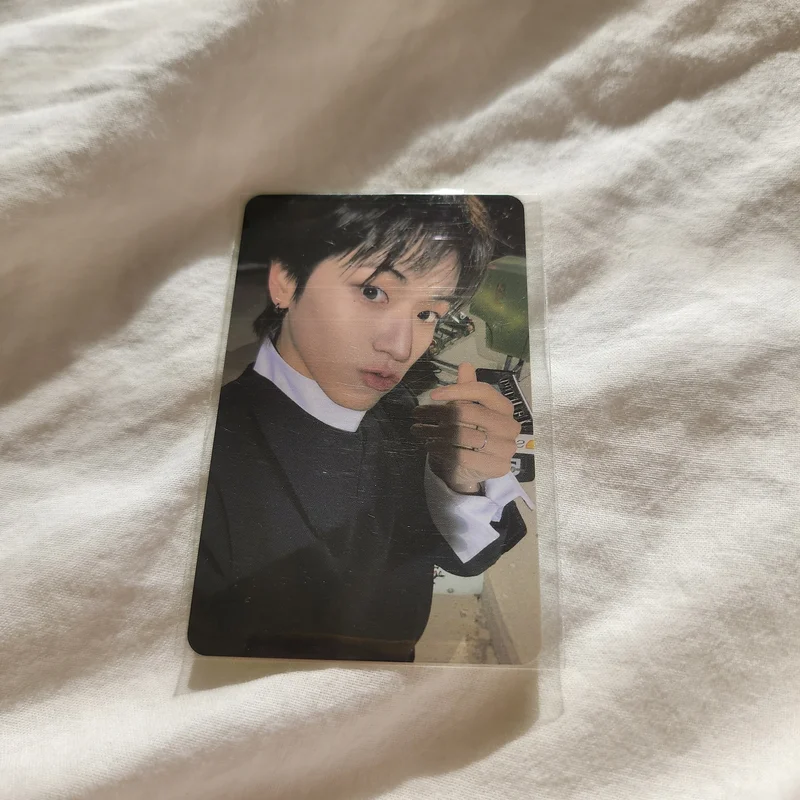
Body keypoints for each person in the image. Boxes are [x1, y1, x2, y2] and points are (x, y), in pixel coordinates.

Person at [188, 195, 532, 662]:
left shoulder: (400, 408)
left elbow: (464, 558)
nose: (401, 346)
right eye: (373, 292)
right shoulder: (203, 462)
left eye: (427, 313)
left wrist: (463, 481)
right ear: (286, 280)